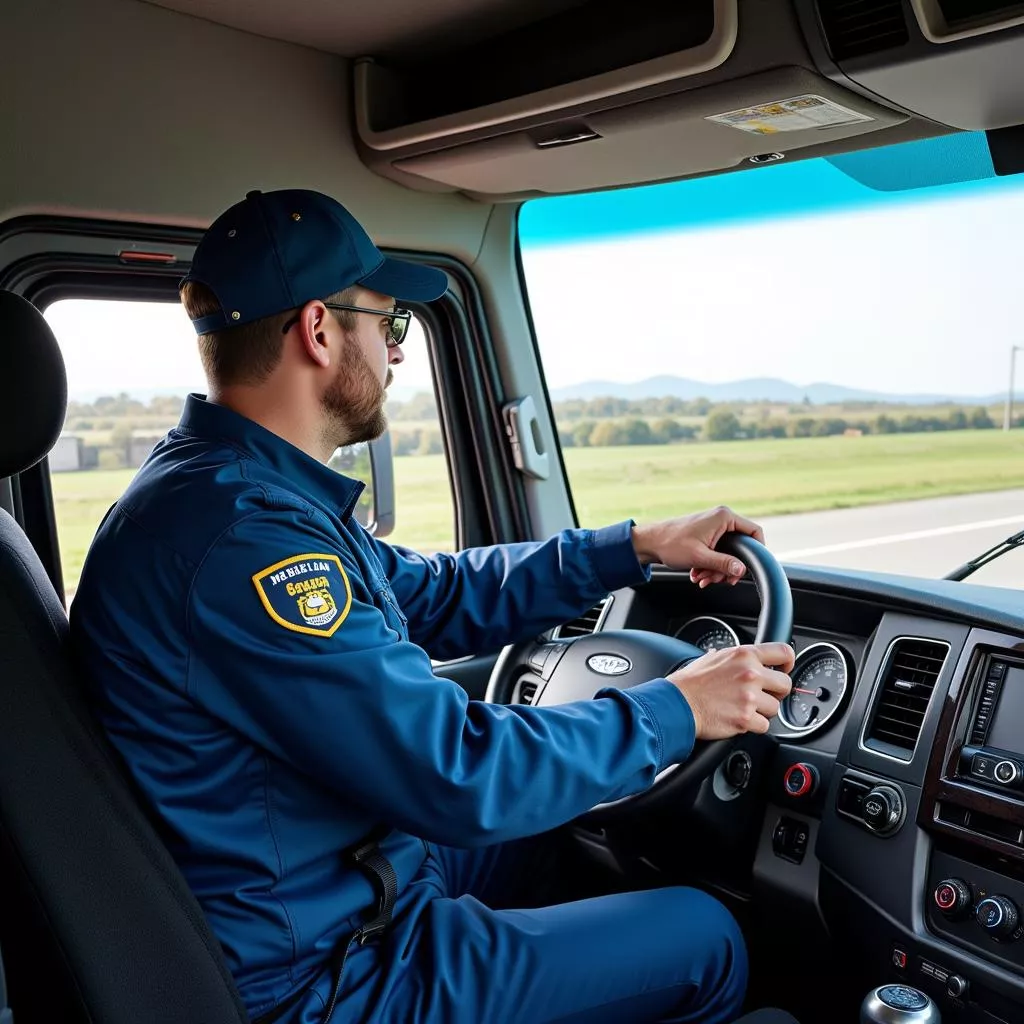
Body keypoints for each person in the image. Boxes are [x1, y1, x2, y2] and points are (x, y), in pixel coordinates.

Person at [70, 189, 795, 1024]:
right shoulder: (246, 542)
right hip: (326, 976)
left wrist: (633, 548)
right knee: (708, 936)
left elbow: (438, 592)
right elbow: (458, 774)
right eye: (388, 326)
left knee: (552, 833)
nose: (396, 356)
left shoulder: (233, 492)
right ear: (318, 330)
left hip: (330, 885)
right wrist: (680, 706)